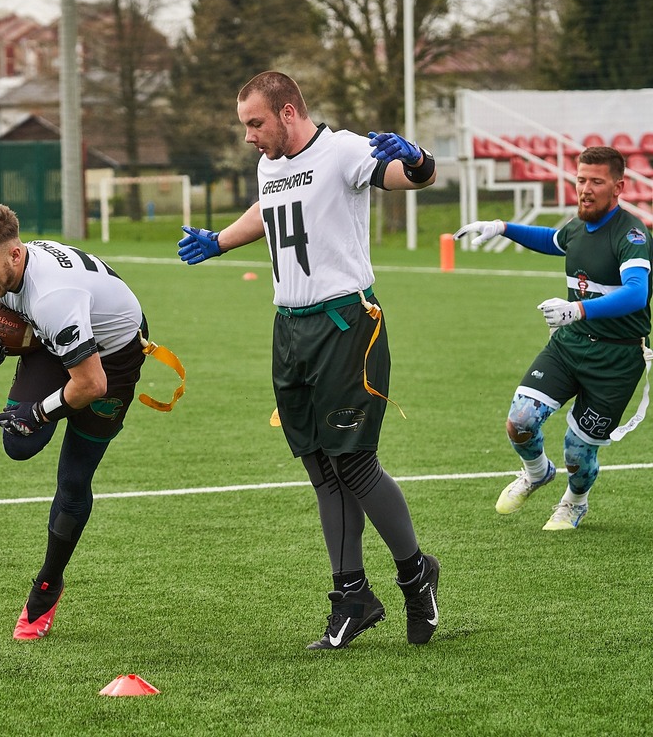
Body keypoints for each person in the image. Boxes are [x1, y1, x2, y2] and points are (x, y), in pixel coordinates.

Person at [176, 70, 441, 649]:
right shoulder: (270, 163)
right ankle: (352, 597)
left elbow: (407, 177)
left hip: (345, 325)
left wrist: (417, 158)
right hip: (289, 329)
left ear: (289, 112)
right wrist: (218, 240)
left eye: (256, 122)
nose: (249, 135)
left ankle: (416, 572)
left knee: (355, 464)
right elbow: (270, 208)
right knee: (321, 466)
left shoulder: (342, 150)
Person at [0, 205, 149, 640]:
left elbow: (92, 384)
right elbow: (5, 316)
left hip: (112, 362)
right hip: (61, 336)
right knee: (19, 445)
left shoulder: (53, 297)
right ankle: (46, 378)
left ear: (16, 255)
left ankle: (46, 586)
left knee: (74, 480)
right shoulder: (17, 268)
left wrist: (39, 411)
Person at [455, 146, 652, 530]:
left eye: (597, 181)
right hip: (570, 345)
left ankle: (575, 502)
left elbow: (636, 293)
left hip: (616, 360)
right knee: (521, 420)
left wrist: (578, 309)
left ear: (619, 186)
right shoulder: (579, 226)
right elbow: (554, 240)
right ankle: (536, 472)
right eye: (581, 180)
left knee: (578, 452)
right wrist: (503, 228)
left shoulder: (632, 234)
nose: (586, 189)